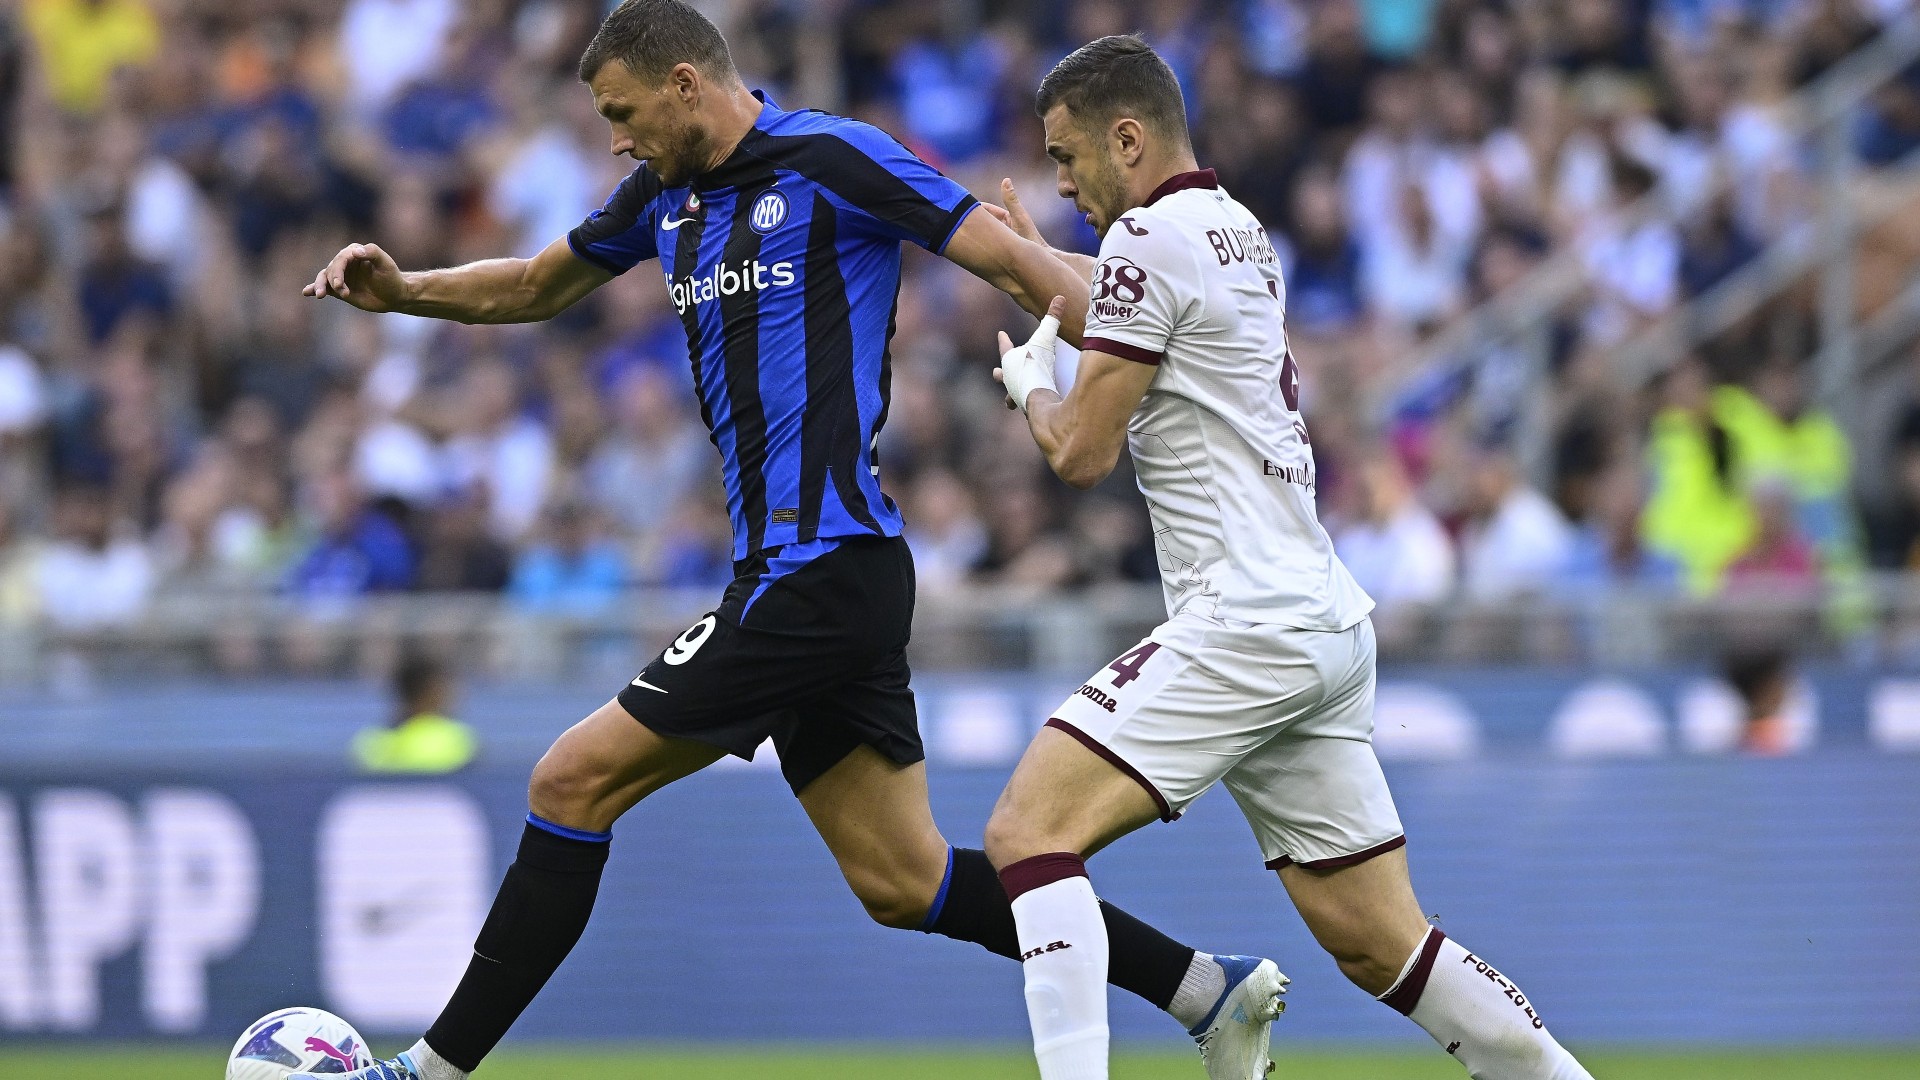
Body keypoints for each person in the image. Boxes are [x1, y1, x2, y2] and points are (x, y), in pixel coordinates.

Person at [293, 6, 1276, 1080]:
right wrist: (405, 294)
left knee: (568, 783)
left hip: (823, 572)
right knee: (904, 882)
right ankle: (1203, 988)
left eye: (622, 114)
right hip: (804, 578)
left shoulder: (832, 157)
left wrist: (1157, 334)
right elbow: (535, 283)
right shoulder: (662, 196)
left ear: (682, 83)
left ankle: (428, 1071)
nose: (616, 139)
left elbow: (1012, 264)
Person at [983, 36, 1594, 1080]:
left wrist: (1031, 386)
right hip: (1317, 616)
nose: (1063, 180)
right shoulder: (1233, 230)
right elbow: (1124, 299)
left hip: (1246, 619)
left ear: (1126, 139)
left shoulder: (1145, 240)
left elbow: (1080, 451)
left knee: (1028, 832)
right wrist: (1039, 264)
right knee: (1380, 943)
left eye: (1068, 155)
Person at [354, 652, 477, 774]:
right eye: (443, 689)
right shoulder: (458, 739)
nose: (452, 695)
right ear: (428, 693)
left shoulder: (370, 743)